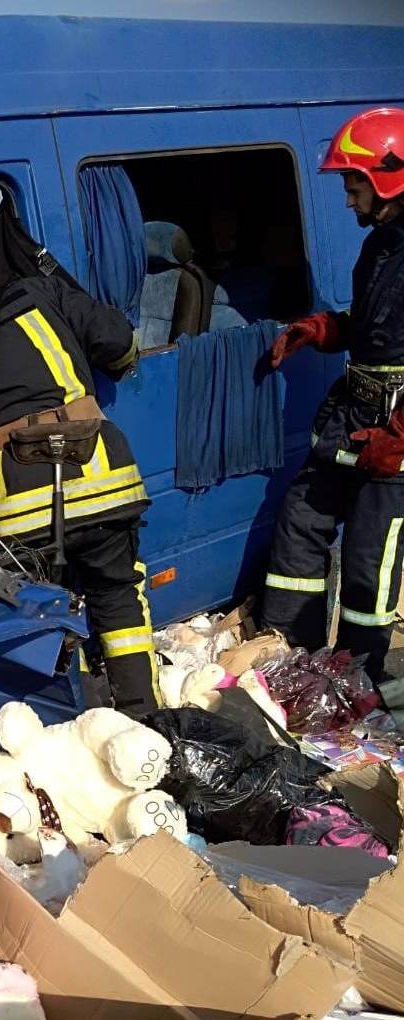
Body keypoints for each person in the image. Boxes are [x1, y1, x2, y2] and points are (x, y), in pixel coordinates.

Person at [0, 235, 157, 717]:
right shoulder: (36, 291)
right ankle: (145, 718)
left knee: (48, 616)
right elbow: (118, 342)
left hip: (18, 510)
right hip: (99, 477)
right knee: (117, 595)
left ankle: (79, 724)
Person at [262, 107, 404, 686]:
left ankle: (357, 680)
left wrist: (399, 438)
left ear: (389, 177)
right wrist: (324, 330)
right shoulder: (382, 246)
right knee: (301, 515)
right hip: (356, 416)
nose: (349, 201)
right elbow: (379, 326)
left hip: (397, 431)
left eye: (355, 186)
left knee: (371, 562)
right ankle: (290, 653)